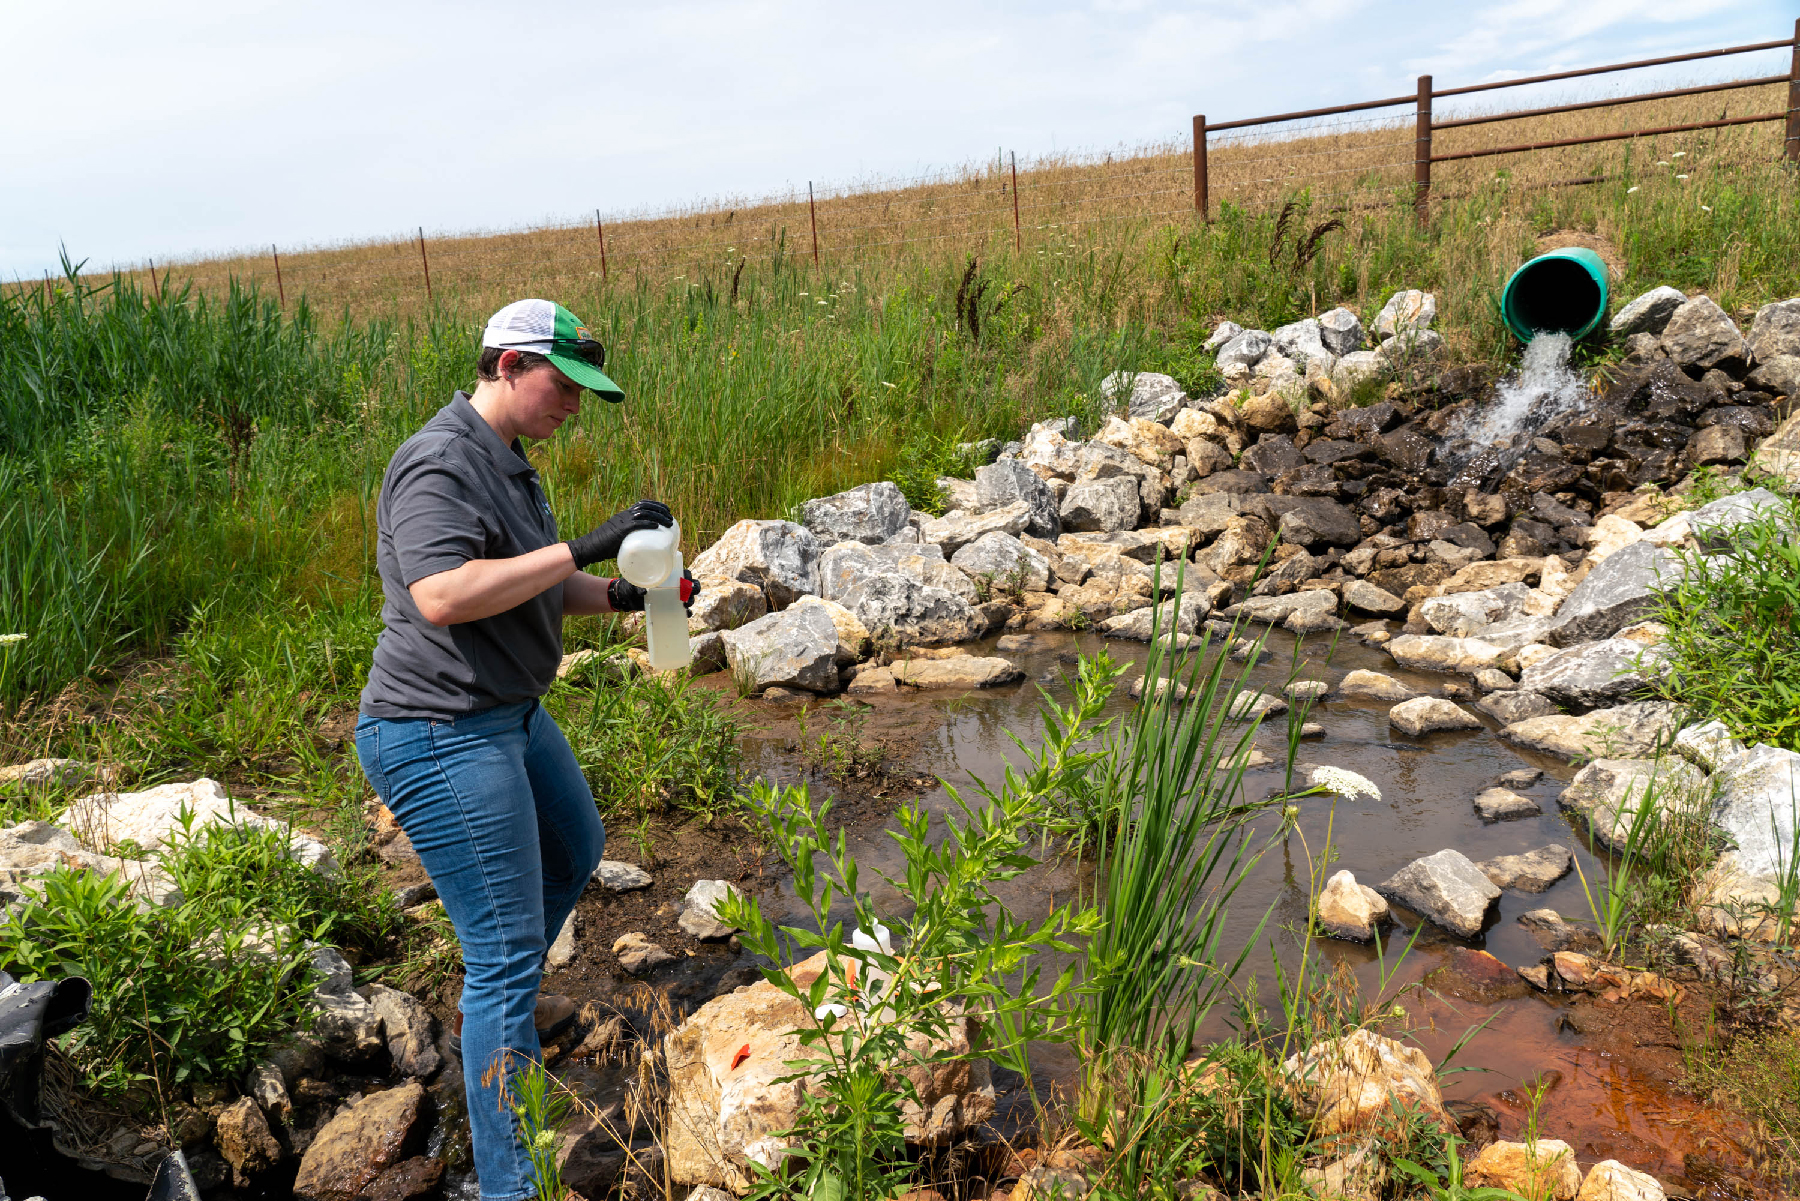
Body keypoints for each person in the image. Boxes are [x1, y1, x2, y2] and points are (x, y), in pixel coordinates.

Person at [354, 298, 693, 1200]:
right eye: (563, 383)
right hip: (438, 729)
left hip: (508, 713)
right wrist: (586, 542)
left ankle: (499, 1009)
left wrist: (625, 592)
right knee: (502, 949)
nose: (574, 404)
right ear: (507, 365)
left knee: (576, 849)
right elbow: (444, 595)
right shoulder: (438, 461)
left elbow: (533, 588)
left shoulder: (511, 463)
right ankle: (511, 1183)